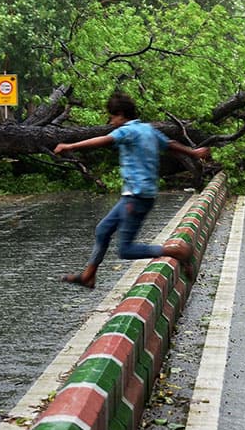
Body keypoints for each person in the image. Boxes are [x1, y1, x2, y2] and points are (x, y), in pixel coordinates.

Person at [54, 92, 211, 289]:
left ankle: (176, 251)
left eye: (111, 117)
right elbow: (170, 145)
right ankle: (88, 276)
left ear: (120, 114)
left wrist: (70, 146)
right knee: (103, 230)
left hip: (136, 197)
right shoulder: (148, 129)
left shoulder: (127, 131)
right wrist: (194, 152)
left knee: (126, 250)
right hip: (135, 195)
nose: (111, 122)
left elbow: (103, 140)